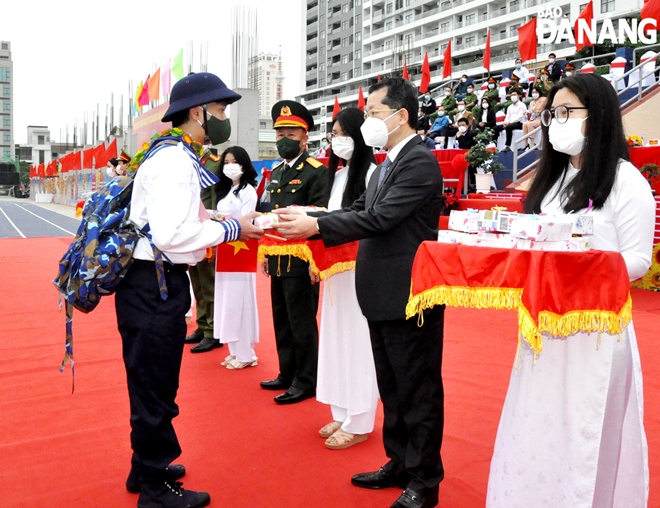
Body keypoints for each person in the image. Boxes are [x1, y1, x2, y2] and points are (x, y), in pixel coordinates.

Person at [275, 77, 445, 508]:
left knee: (417, 389)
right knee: (392, 385)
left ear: (400, 115)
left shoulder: (420, 163)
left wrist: (317, 226)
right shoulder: (388, 163)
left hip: (411, 295)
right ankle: (399, 462)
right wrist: (313, 212)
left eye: (372, 112)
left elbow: (381, 218)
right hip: (381, 292)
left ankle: (425, 481)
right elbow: (358, 210)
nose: (368, 120)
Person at [487, 73, 655, 507]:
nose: (555, 122)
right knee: (539, 425)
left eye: (565, 113)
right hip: (544, 327)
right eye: (551, 115)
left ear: (596, 116)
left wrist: (577, 267)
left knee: (585, 430)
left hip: (595, 330)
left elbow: (638, 261)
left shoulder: (626, 181)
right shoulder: (553, 183)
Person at [116, 72, 263, 508]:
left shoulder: (174, 154)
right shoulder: (174, 162)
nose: (223, 119)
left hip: (152, 282)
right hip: (153, 284)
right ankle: (155, 489)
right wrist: (234, 227)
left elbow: (182, 221)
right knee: (154, 384)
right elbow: (170, 234)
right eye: (220, 111)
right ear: (198, 113)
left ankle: (145, 465)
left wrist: (218, 220)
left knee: (150, 381)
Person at [316, 107, 379, 450]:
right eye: (333, 135)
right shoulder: (338, 178)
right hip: (335, 272)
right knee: (336, 338)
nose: (336, 141)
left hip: (360, 269)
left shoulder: (373, 175)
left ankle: (360, 419)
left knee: (358, 342)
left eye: (342, 134)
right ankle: (341, 409)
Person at [259, 100, 328, 405]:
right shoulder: (275, 173)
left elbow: (320, 218)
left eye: (291, 132)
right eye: (280, 133)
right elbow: (270, 214)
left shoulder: (316, 172)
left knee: (302, 321)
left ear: (305, 137)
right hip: (277, 255)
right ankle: (287, 372)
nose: (284, 138)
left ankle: (307, 379)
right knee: (282, 318)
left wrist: (317, 262)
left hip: (302, 258)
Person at [212, 146, 260, 370]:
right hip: (225, 247)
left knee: (239, 301)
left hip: (241, 248)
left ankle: (245, 353)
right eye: (226, 162)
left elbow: (248, 221)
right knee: (227, 301)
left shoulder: (248, 191)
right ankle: (235, 349)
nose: (229, 166)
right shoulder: (227, 191)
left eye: (234, 161)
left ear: (243, 164)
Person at [185, 148, 224, 354]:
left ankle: (212, 331)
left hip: (207, 230)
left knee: (209, 283)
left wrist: (215, 233)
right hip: (191, 231)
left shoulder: (214, 163)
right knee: (197, 282)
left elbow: (216, 200)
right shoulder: (186, 160)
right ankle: (201, 325)